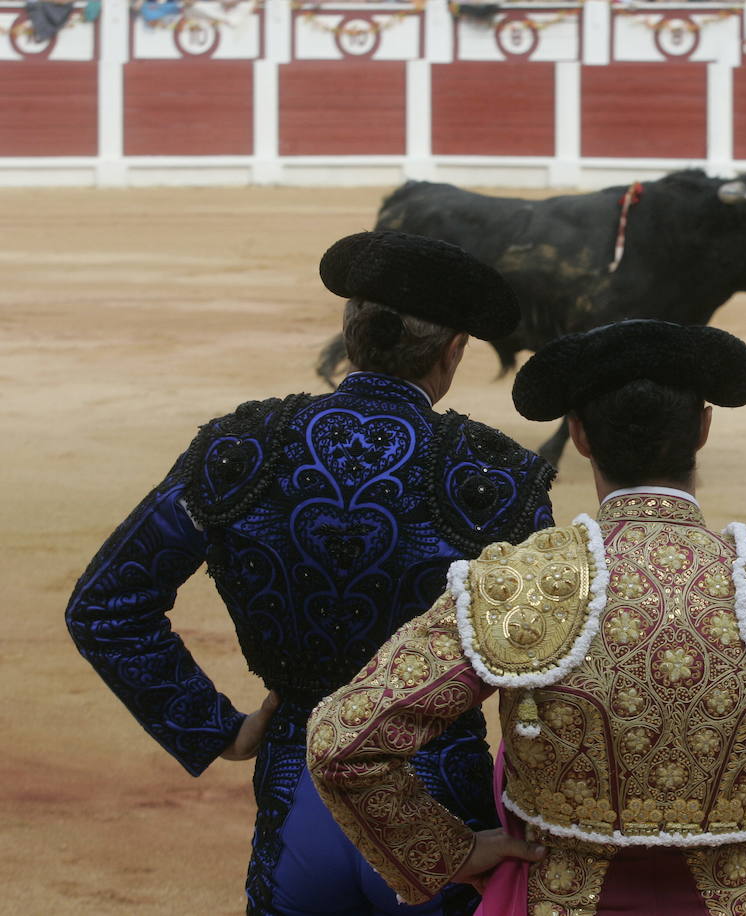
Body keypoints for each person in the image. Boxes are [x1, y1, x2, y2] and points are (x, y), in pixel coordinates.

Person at [308, 320, 746, 915]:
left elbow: (344, 743)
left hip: (561, 893)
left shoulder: (519, 586)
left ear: (579, 434)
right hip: (733, 896)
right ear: (703, 430)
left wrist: (451, 851)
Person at [66, 230, 556, 915]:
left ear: (350, 332)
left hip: (297, 782)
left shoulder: (240, 448)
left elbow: (106, 605)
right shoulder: (497, 475)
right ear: (452, 352)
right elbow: (553, 663)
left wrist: (214, 727)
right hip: (439, 800)